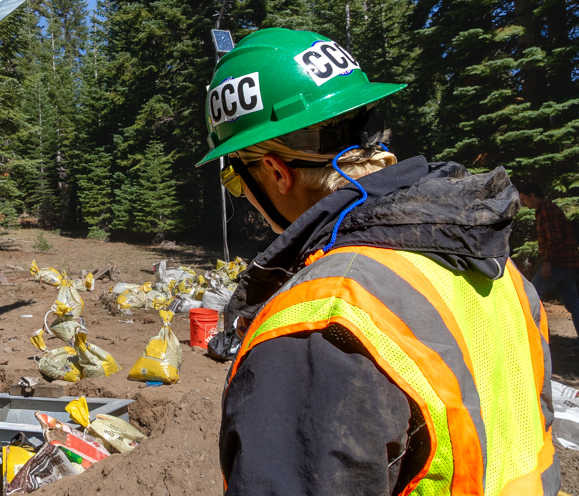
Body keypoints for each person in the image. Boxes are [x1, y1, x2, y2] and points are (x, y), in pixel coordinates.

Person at [204, 29, 558, 494]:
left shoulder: (323, 321)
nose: (245, 196)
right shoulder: (498, 268)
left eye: (237, 179)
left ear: (275, 171)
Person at [517, 182, 579, 337]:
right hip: (567, 264)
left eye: (524, 199)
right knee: (575, 305)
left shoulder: (547, 210)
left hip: (558, 264)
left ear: (532, 195)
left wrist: (547, 263)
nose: (523, 203)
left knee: (530, 295)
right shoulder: (546, 210)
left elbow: (555, 240)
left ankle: (529, 337)